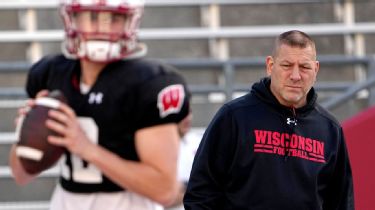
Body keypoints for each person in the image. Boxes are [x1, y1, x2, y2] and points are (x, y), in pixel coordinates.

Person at [8, 0, 190, 210]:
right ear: (72, 19)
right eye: (91, 17)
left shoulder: (150, 83)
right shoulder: (51, 74)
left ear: (130, 21)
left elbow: (164, 191)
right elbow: (21, 174)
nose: (101, 28)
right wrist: (28, 131)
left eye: (113, 18)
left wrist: (87, 149)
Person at [183, 30, 354, 209]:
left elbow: (342, 202)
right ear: (270, 65)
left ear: (316, 69)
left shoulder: (330, 129)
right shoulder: (234, 117)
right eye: (287, 65)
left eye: (304, 67)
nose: (295, 76)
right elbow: (200, 194)